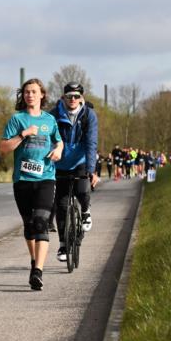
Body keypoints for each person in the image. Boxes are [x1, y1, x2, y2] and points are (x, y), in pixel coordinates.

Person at [0, 78, 63, 291]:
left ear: (42, 95)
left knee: (40, 223)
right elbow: (4, 148)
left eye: (34, 92)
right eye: (26, 92)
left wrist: (59, 150)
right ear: (23, 95)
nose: (30, 95)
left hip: (46, 178)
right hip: (23, 180)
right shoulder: (17, 119)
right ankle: (34, 261)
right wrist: (23, 134)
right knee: (29, 226)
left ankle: (38, 271)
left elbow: (58, 140)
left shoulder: (49, 120)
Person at [51, 82, 99, 262]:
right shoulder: (53, 114)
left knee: (82, 190)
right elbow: (47, 139)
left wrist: (91, 169)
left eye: (76, 96)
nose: (73, 99)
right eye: (69, 96)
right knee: (61, 206)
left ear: (82, 98)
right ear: (63, 97)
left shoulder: (89, 115)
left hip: (80, 161)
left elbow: (91, 143)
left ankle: (86, 211)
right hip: (60, 163)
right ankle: (63, 244)